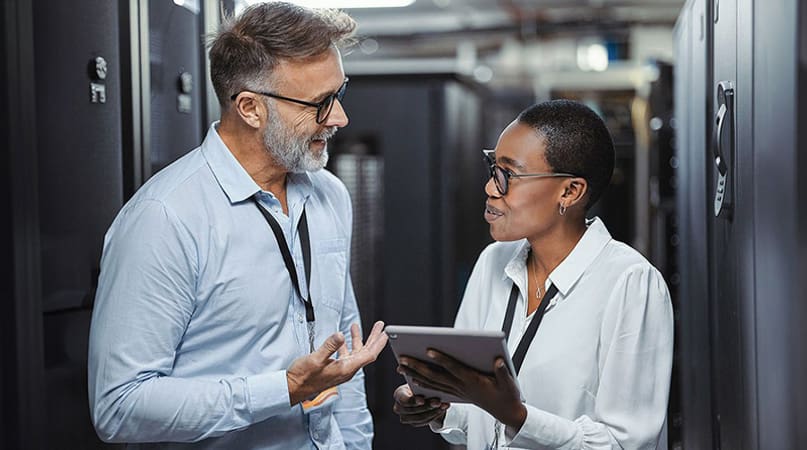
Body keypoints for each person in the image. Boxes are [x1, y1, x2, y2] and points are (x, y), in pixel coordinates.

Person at [88, 3, 387, 449]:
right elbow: (119, 406)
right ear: (249, 107)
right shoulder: (164, 219)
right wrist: (282, 389)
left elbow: (344, 352)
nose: (339, 118)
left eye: (338, 94)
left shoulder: (329, 195)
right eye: (320, 103)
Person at [392, 100, 673, 449]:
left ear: (570, 192)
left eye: (508, 175)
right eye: (492, 168)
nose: (491, 188)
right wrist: (439, 409)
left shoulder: (630, 283)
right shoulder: (493, 262)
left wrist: (517, 416)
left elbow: (624, 444)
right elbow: (473, 418)